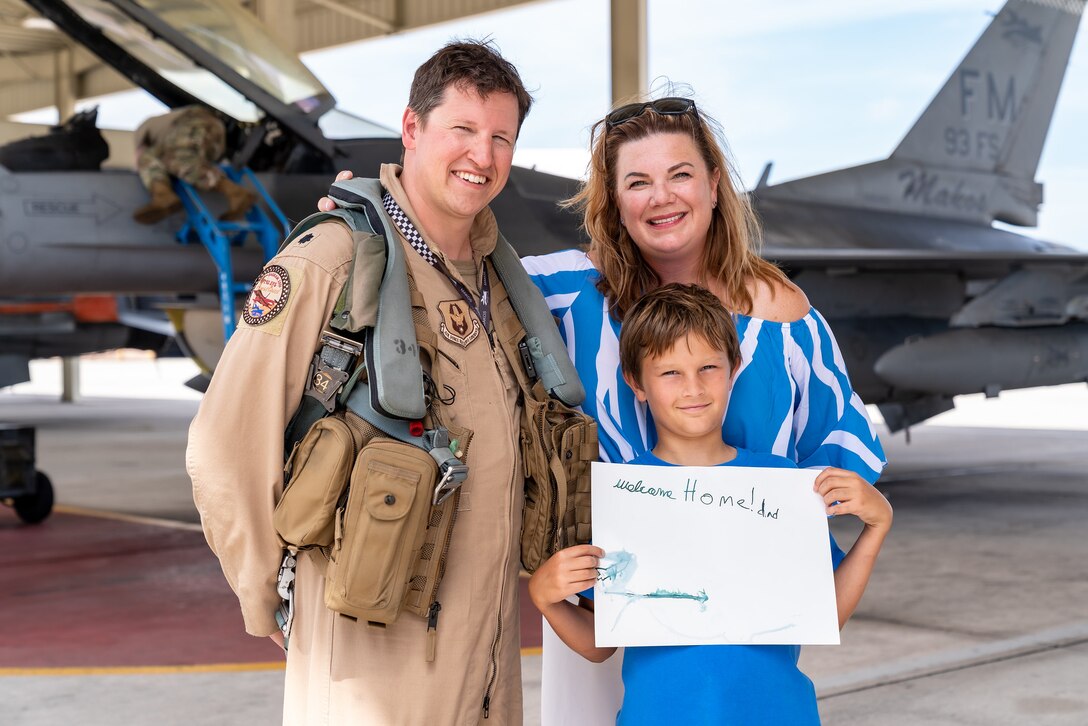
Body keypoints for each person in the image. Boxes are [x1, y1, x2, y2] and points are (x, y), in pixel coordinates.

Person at [321, 94, 887, 721]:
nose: (661, 197)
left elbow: (833, 451)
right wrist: (373, 218)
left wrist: (820, 527)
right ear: (614, 201)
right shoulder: (562, 293)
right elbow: (448, 273)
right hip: (604, 592)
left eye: (680, 175)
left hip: (749, 633)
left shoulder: (784, 314)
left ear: (714, 182)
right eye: (637, 182)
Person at [188, 41, 539, 724]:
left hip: (488, 658)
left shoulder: (499, 281)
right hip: (370, 658)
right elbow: (224, 443)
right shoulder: (332, 260)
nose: (484, 156)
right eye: (462, 131)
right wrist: (264, 591)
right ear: (412, 130)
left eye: (502, 137)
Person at [528, 283, 892, 725]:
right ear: (636, 383)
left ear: (733, 369)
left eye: (708, 367)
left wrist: (876, 527)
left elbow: (826, 617)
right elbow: (599, 643)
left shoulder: (780, 482)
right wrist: (545, 598)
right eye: (670, 373)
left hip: (779, 715)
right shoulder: (621, 496)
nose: (693, 388)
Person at [133, 105, 256, 224]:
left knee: (166, 160)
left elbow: (143, 157)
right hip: (214, 131)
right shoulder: (160, 127)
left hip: (192, 123)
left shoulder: (143, 133)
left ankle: (235, 192)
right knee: (184, 161)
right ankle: (163, 195)